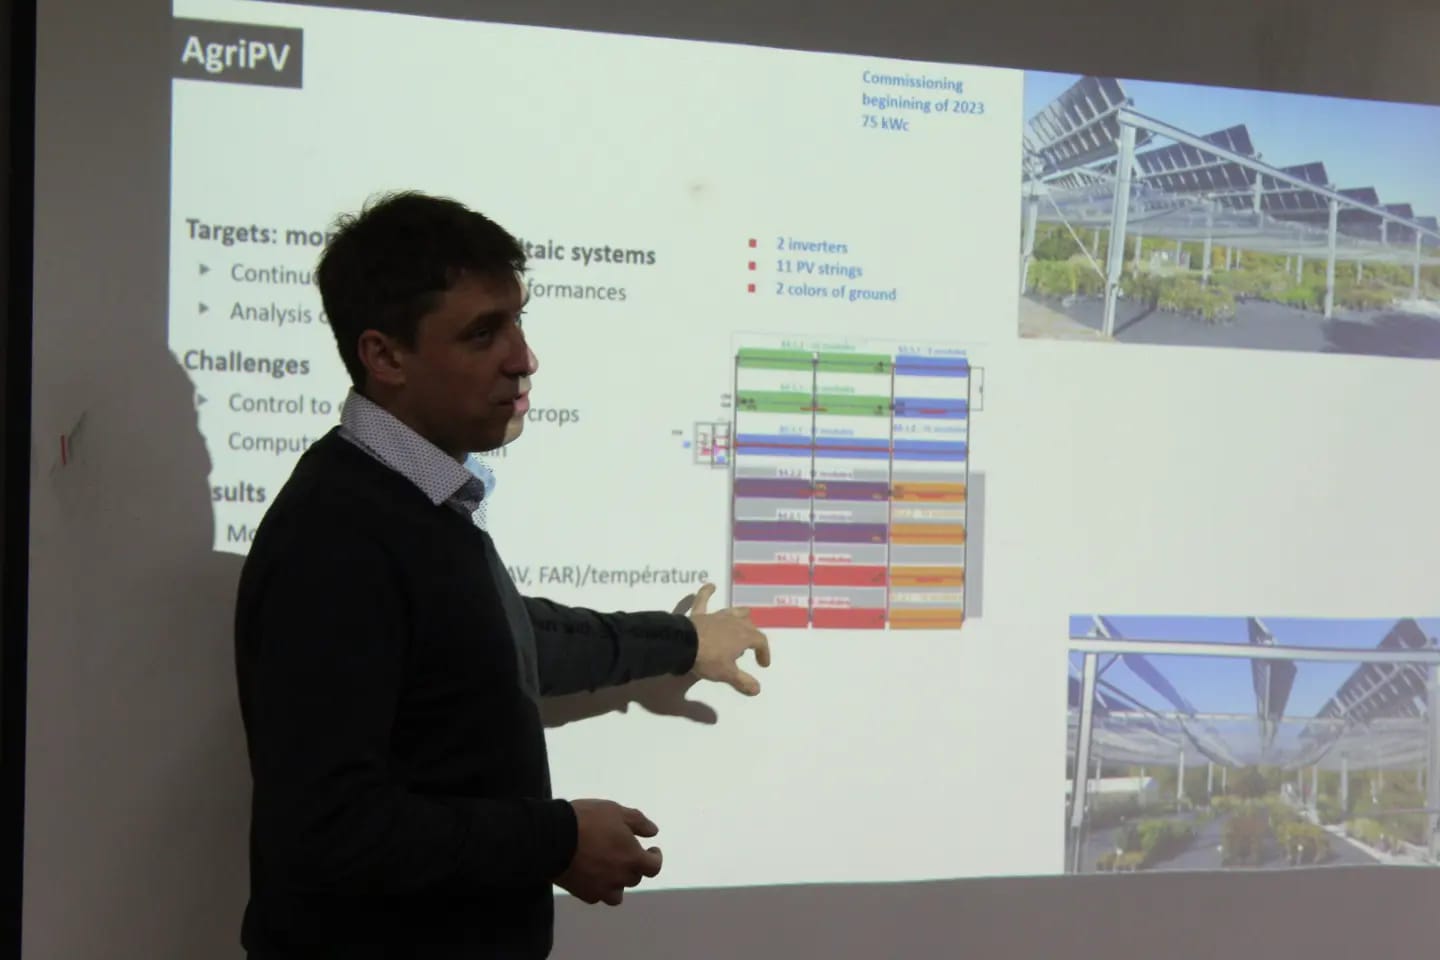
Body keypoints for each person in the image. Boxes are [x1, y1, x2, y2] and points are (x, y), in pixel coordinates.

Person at [232, 190, 772, 958]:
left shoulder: (411, 501)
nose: (523, 358)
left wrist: (682, 641)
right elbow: (328, 829)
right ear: (384, 356)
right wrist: (556, 839)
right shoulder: (336, 534)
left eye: (518, 320)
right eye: (483, 333)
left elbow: (497, 642)